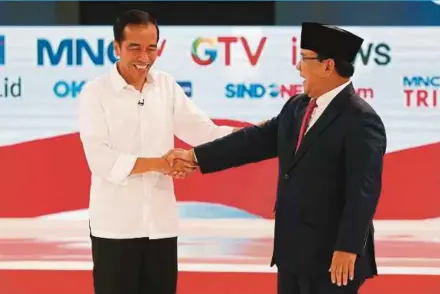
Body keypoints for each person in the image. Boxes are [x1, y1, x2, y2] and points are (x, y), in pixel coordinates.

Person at [166, 22, 387, 294]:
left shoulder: (361, 120)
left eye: (304, 58)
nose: (298, 68)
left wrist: (348, 247)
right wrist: (196, 156)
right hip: (292, 253)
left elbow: (363, 191)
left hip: (333, 259)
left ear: (328, 66)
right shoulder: (297, 107)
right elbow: (253, 142)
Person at [78, 9, 241, 294]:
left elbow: (205, 131)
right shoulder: (95, 92)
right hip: (115, 228)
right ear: (116, 48)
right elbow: (100, 159)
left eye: (151, 48)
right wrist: (161, 164)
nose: (144, 57)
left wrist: (254, 136)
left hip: (161, 226)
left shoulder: (165, 86)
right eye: (135, 48)